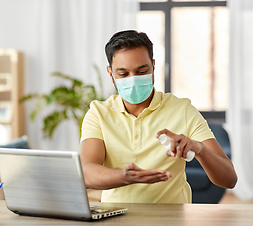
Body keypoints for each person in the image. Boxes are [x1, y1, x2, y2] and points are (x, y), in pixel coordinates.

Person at [80, 30, 237, 203]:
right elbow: (87, 173)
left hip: (173, 222)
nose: (133, 80)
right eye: (123, 74)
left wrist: (199, 149)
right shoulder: (98, 113)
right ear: (111, 74)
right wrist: (126, 177)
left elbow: (229, 179)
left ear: (153, 66)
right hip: (116, 218)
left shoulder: (182, 110)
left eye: (141, 71)